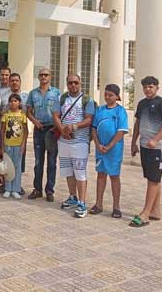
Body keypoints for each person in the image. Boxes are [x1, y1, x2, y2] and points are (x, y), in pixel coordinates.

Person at [130, 76, 162, 227]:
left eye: (151, 86)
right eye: (145, 87)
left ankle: (146, 214)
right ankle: (155, 211)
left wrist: (156, 139)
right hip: (144, 146)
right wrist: (133, 143)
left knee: (153, 180)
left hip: (157, 148)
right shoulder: (142, 104)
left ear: (157, 88)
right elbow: (138, 123)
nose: (147, 89)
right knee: (152, 178)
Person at [53, 74, 95, 218]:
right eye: (70, 83)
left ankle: (82, 202)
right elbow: (56, 115)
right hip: (64, 141)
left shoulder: (87, 100)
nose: (73, 85)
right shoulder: (61, 98)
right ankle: (73, 196)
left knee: (80, 172)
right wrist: (62, 130)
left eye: (76, 82)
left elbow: (89, 119)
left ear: (80, 83)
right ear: (67, 83)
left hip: (80, 142)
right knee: (68, 171)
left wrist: (74, 127)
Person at [91, 84, 128, 218]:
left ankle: (116, 207)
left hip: (114, 150)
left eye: (110, 95)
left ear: (117, 96)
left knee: (114, 176)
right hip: (100, 149)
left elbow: (121, 131)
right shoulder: (100, 110)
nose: (107, 97)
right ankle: (98, 204)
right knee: (101, 175)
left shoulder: (120, 111)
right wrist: (97, 144)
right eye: (106, 94)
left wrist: (110, 146)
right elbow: (94, 128)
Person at [27, 67, 61, 202]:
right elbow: (29, 112)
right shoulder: (33, 93)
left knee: (52, 162)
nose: (43, 77)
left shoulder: (56, 93)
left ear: (50, 77)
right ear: (38, 77)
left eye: (46, 75)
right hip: (39, 129)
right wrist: (35, 122)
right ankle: (37, 189)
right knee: (38, 162)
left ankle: (49, 190)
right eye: (41, 75)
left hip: (52, 130)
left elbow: (61, 112)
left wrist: (57, 126)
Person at [0, 72, 29, 195]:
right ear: (9, 82)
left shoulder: (26, 96)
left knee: (18, 164)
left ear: (20, 82)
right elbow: (0, 115)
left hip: (19, 139)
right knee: (6, 163)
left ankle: (16, 187)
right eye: (12, 80)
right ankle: (6, 186)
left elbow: (26, 125)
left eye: (17, 80)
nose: (14, 82)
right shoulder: (3, 95)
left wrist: (24, 143)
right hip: (7, 138)